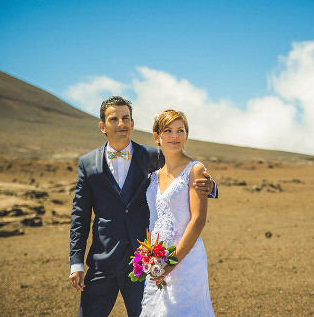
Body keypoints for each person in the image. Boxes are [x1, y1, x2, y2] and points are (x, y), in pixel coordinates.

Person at [69, 97, 217, 317]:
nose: (121, 124)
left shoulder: (154, 156)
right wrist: (76, 262)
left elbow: (185, 174)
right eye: (114, 119)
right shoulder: (88, 163)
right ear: (103, 126)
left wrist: (211, 186)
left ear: (133, 123)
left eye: (126, 118)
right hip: (103, 259)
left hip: (143, 261)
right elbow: (80, 215)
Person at [139, 109, 215, 316]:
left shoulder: (195, 169)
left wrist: (171, 263)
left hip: (186, 259)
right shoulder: (153, 176)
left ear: (186, 135)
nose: (175, 136)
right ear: (157, 137)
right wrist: (152, 260)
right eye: (168, 130)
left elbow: (198, 220)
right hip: (156, 262)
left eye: (180, 130)